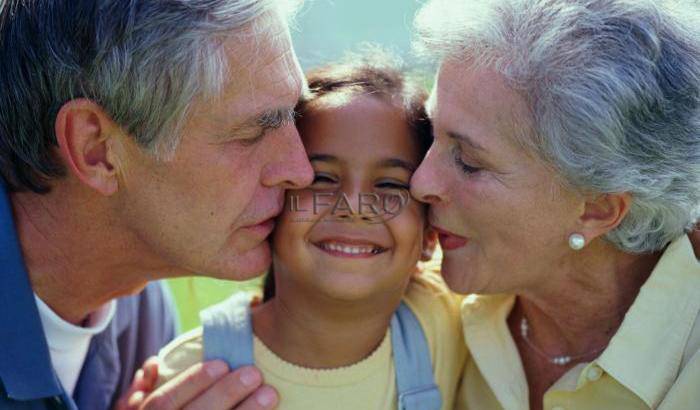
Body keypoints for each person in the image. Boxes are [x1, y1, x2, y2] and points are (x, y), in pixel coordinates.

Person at [0, 0, 313, 409]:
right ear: (96, 149)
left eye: (295, 116)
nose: (300, 170)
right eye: (253, 131)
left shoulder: (137, 304)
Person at [409, 0, 700, 409]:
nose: (420, 182)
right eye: (428, 133)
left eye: (469, 162)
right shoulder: (425, 310)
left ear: (597, 208)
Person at [153, 52, 466, 409]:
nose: (353, 206)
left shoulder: (448, 321)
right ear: (271, 208)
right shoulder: (194, 373)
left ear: (429, 235)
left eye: (391, 185)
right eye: (321, 178)